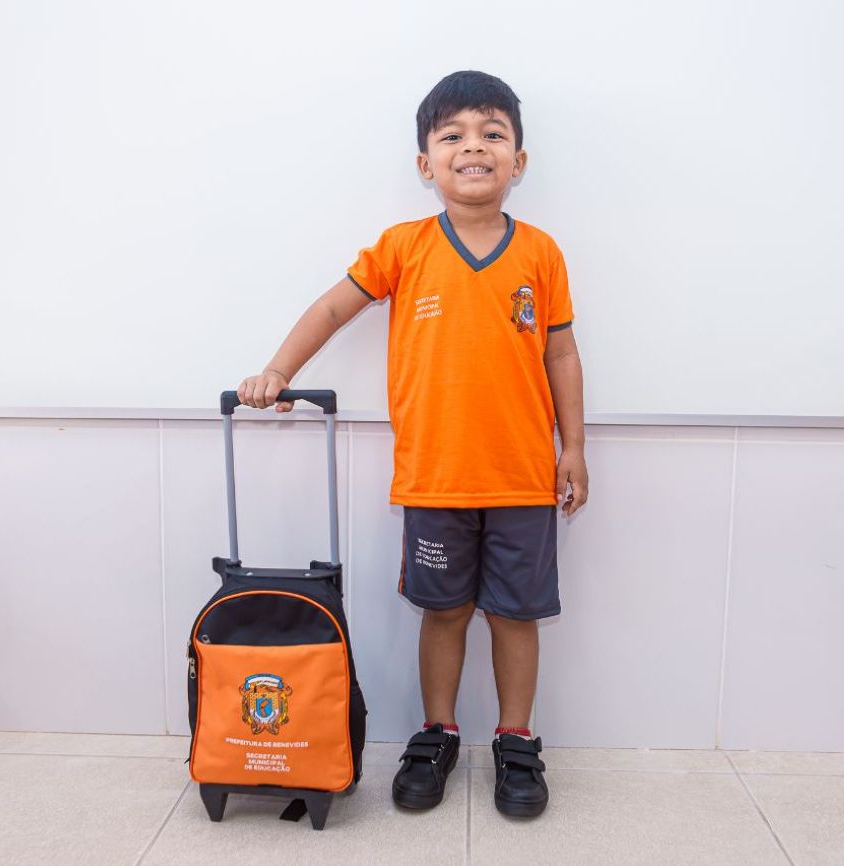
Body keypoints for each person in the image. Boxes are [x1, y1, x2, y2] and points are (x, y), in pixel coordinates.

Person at [236, 70, 587, 818]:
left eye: (492, 134)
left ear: (519, 160)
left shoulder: (541, 253)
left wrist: (575, 448)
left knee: (517, 616)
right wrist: (277, 371)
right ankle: (437, 733)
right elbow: (333, 309)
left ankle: (516, 740)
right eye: (453, 135)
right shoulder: (404, 246)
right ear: (426, 164)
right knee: (445, 613)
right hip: (434, 479)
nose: (474, 147)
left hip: (524, 478)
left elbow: (561, 353)